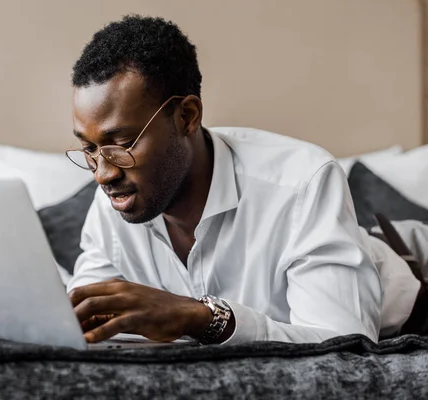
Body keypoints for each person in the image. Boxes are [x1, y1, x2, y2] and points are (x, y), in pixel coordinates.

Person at [65, 15, 427, 345]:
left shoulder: (303, 180)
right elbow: (83, 317)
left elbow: (344, 348)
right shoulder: (113, 200)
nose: (104, 172)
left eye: (124, 143)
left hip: (409, 293)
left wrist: (203, 318)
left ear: (187, 116)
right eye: (89, 148)